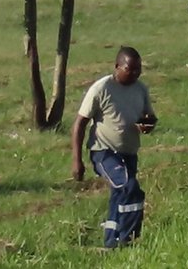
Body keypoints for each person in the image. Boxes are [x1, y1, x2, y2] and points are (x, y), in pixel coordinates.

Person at [71, 47, 157, 249]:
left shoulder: (141, 89)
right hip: (104, 152)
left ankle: (111, 241)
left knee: (119, 194)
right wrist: (77, 160)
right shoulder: (101, 88)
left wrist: (148, 125)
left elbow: (149, 117)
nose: (135, 73)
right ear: (117, 66)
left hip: (129, 153)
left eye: (138, 69)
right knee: (130, 188)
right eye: (130, 69)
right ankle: (128, 239)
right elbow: (79, 124)